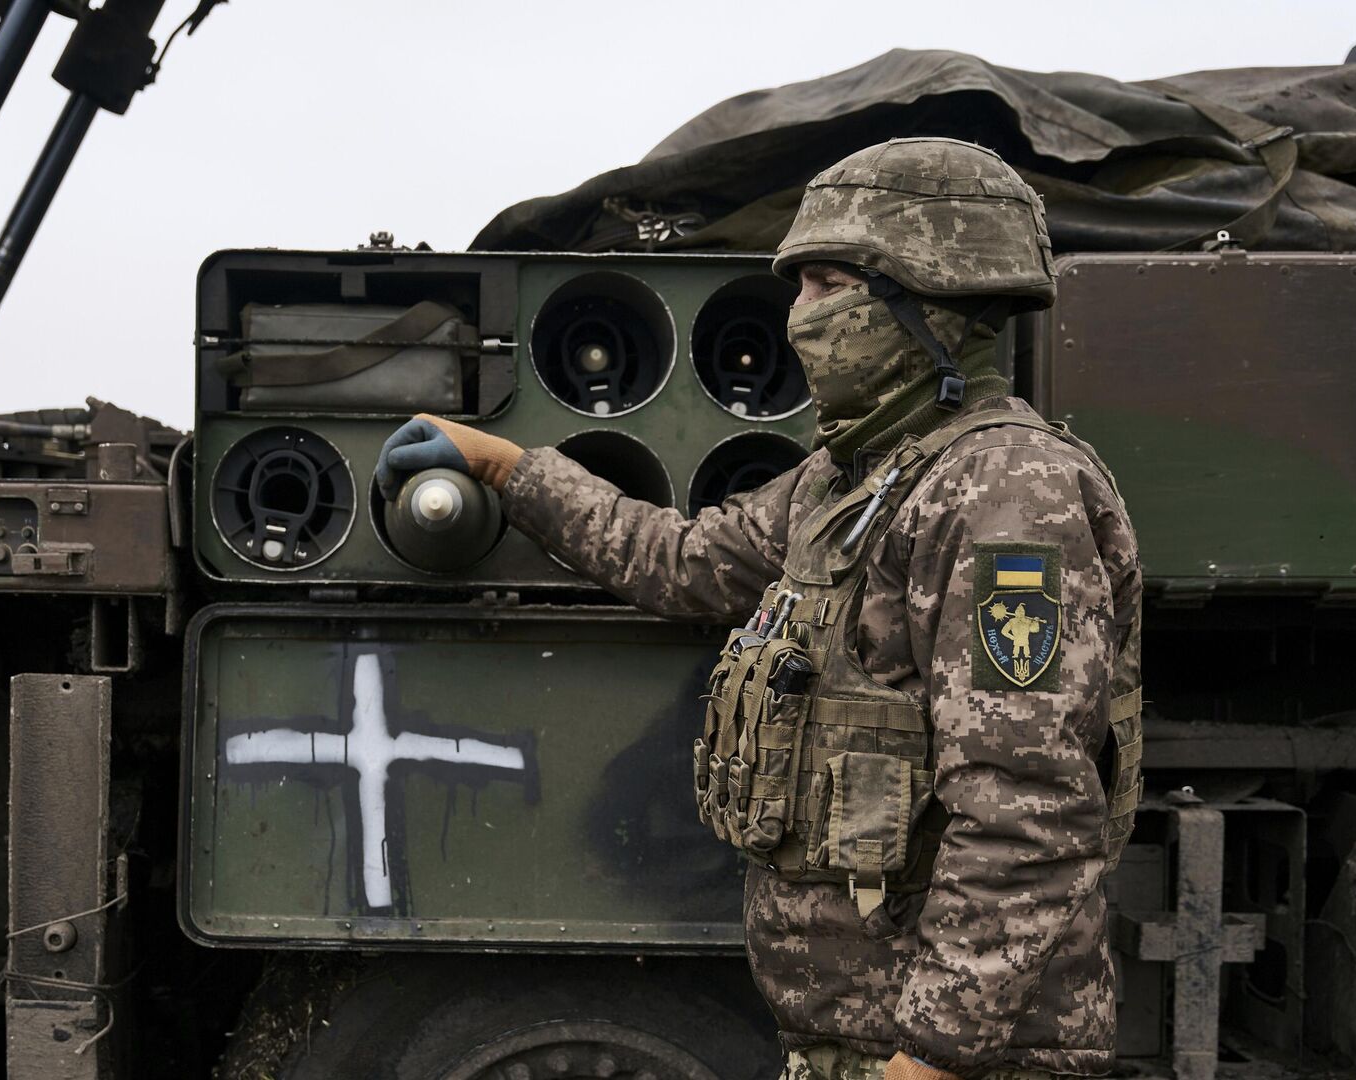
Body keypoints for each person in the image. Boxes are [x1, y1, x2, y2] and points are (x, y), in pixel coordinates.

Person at [377, 137, 1142, 1080]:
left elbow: (1025, 810)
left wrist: (933, 1055)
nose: (798, 318)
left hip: (965, 1062)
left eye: (825, 284)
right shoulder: (850, 477)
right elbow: (684, 560)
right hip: (852, 1045)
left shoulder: (1005, 492)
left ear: (924, 297)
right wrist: (507, 467)